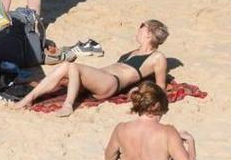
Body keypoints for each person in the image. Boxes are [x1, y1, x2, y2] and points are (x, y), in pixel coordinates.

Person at [18, 17, 169, 118]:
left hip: (111, 83)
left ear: (149, 33)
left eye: (142, 26)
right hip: (100, 78)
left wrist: (139, 90)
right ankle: (28, 99)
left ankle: (68, 105)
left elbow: (160, 87)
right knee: (65, 69)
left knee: (72, 66)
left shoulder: (157, 57)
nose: (139, 29)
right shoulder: (133, 52)